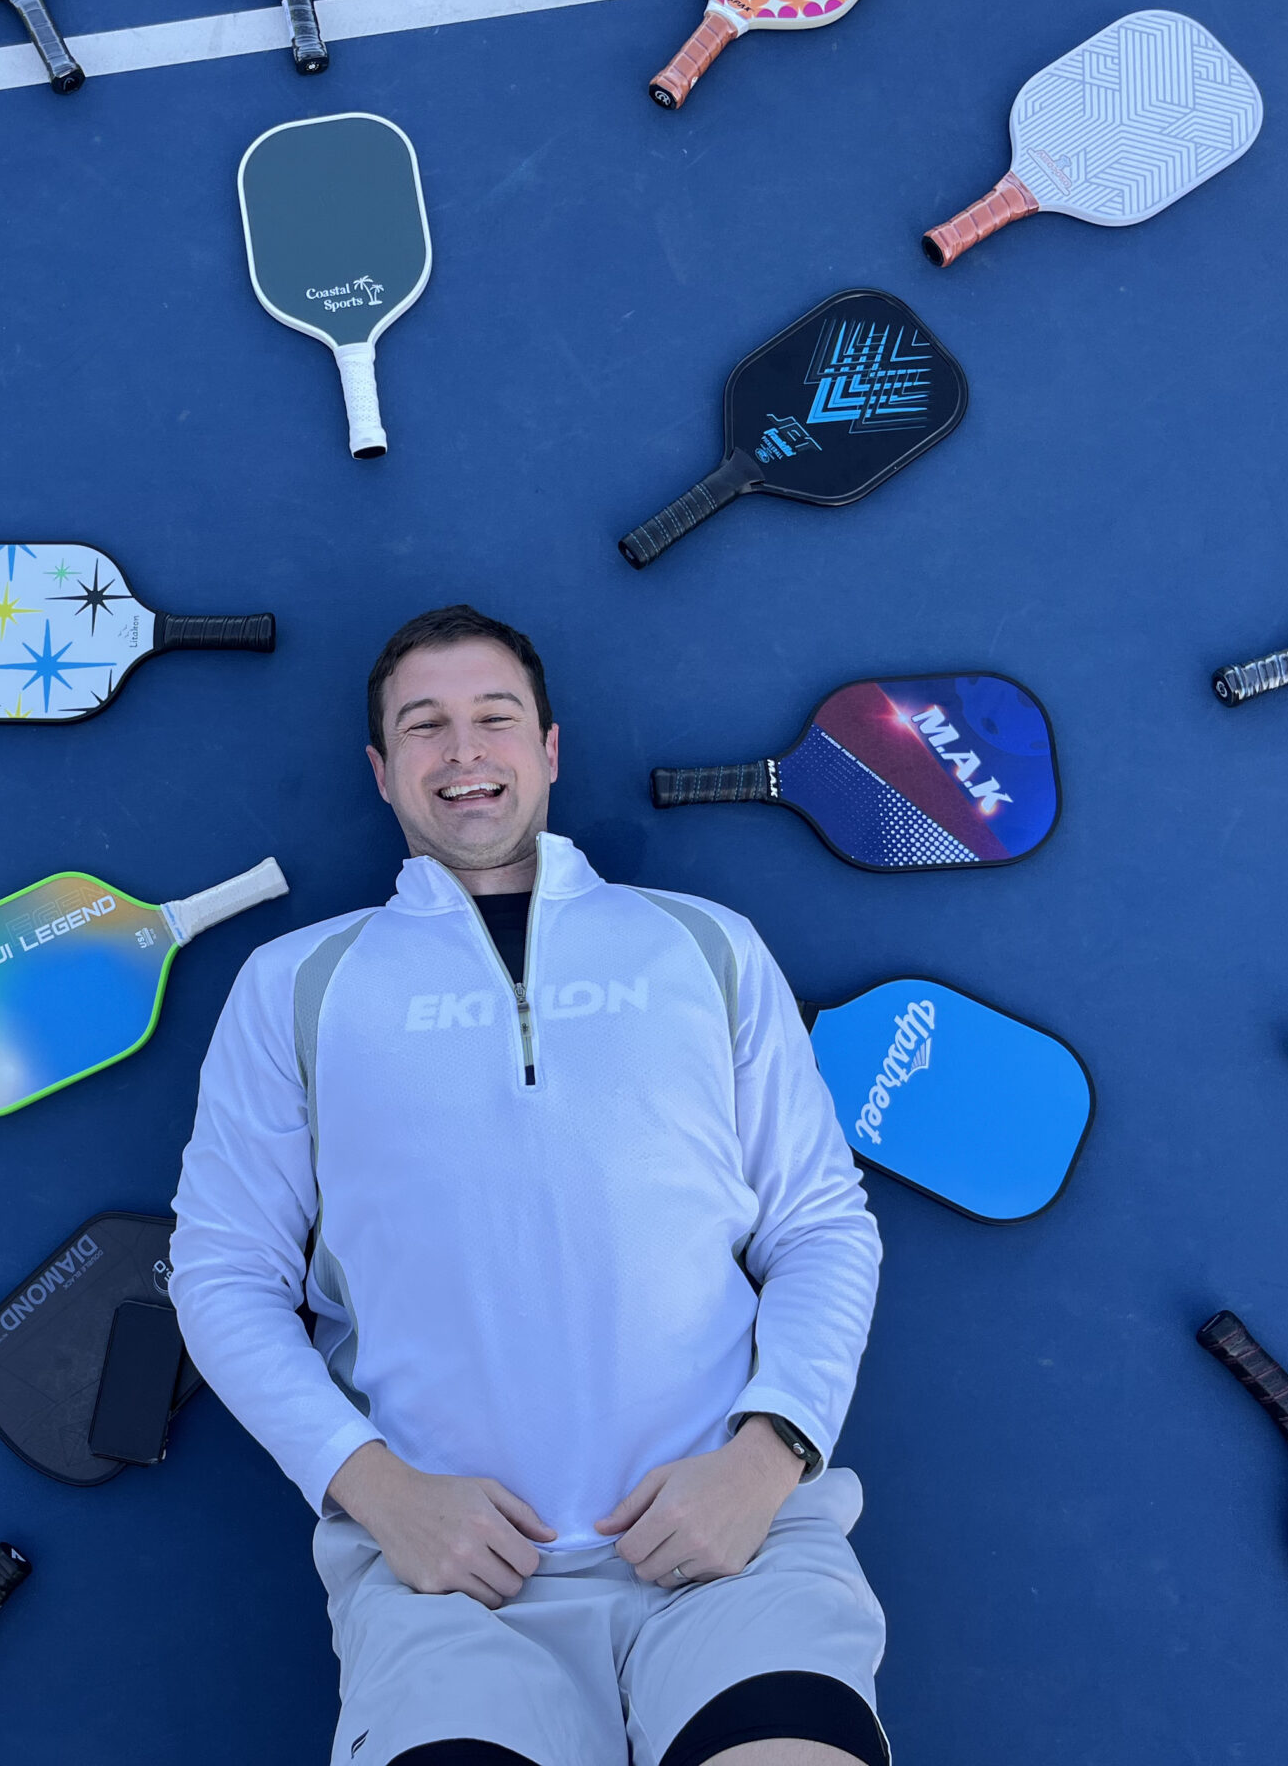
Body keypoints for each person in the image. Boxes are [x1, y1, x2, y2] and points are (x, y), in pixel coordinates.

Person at [170, 606, 888, 1766]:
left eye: (493, 720)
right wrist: (376, 1491)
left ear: (547, 749)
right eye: (426, 727)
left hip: (734, 1549)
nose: (464, 752)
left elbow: (820, 1226)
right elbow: (219, 1274)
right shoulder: (292, 984)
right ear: (382, 770)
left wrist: (766, 1460)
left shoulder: (705, 946)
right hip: (448, 1592)